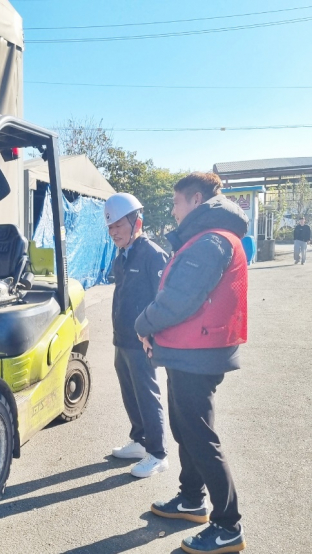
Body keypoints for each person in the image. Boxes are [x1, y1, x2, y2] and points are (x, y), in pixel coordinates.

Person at [135, 172, 248, 554]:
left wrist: (143, 324)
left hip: (197, 354)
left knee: (199, 436)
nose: (173, 210)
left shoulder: (211, 241)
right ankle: (191, 499)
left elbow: (178, 299)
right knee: (187, 430)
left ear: (196, 200)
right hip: (190, 351)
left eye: (176, 202)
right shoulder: (209, 237)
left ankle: (228, 526)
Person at [105, 193, 169, 478]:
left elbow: (163, 299)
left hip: (142, 340)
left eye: (119, 225)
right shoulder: (122, 256)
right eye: (110, 227)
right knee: (130, 391)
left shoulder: (152, 254)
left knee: (147, 394)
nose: (114, 232)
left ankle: (158, 454)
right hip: (122, 338)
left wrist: (153, 334)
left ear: (137, 223)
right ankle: (140, 441)